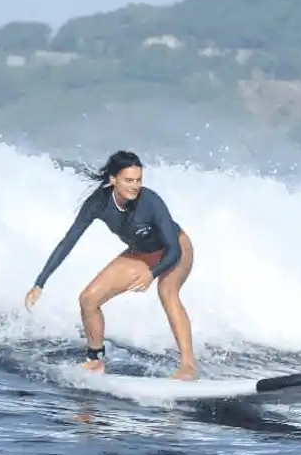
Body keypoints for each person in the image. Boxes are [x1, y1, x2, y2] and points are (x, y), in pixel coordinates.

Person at [24, 150, 198, 379]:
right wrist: (40, 283)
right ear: (113, 179)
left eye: (138, 180)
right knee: (88, 299)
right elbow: (69, 241)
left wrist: (152, 274)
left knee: (167, 291)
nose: (135, 186)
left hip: (176, 247)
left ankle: (188, 366)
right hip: (142, 252)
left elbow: (173, 249)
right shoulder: (98, 202)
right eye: (128, 180)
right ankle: (95, 361)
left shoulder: (150, 201)